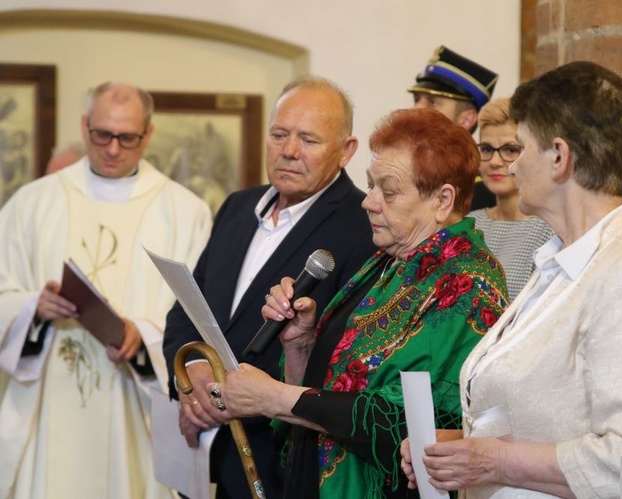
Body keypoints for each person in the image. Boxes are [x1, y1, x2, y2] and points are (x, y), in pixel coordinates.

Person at [400, 61, 622, 498]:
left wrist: (495, 462)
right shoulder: (560, 260)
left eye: (519, 149)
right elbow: (552, 419)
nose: (510, 169)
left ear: (559, 157)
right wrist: (465, 448)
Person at [197, 107, 510, 498]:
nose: (369, 201)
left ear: (442, 200)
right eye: (370, 185)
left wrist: (274, 398)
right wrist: (300, 346)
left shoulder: (467, 283)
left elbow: (411, 425)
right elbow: (327, 391)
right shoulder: (385, 261)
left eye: (388, 191)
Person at [162, 75, 378, 499]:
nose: (289, 151)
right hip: (204, 451)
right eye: (279, 134)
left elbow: (342, 359)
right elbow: (187, 312)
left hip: (282, 459)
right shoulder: (238, 206)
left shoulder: (363, 226)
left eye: (309, 140)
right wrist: (192, 376)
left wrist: (219, 399)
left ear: (346, 151)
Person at [0, 82, 212, 498]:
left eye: (127, 138)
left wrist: (144, 337)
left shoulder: (185, 212)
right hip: (46, 403)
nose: (113, 149)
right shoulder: (32, 203)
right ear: (84, 126)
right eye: (102, 135)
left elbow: (201, 317)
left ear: (147, 134)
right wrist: (33, 308)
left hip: (136, 407)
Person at [468, 98, 555, 301]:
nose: (496, 162)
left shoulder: (548, 232)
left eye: (510, 150)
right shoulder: (471, 224)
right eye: (487, 149)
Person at [409, 45, 498, 210]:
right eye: (417, 99)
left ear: (466, 120)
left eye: (432, 102)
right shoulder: (411, 174)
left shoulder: (478, 192)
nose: (416, 109)